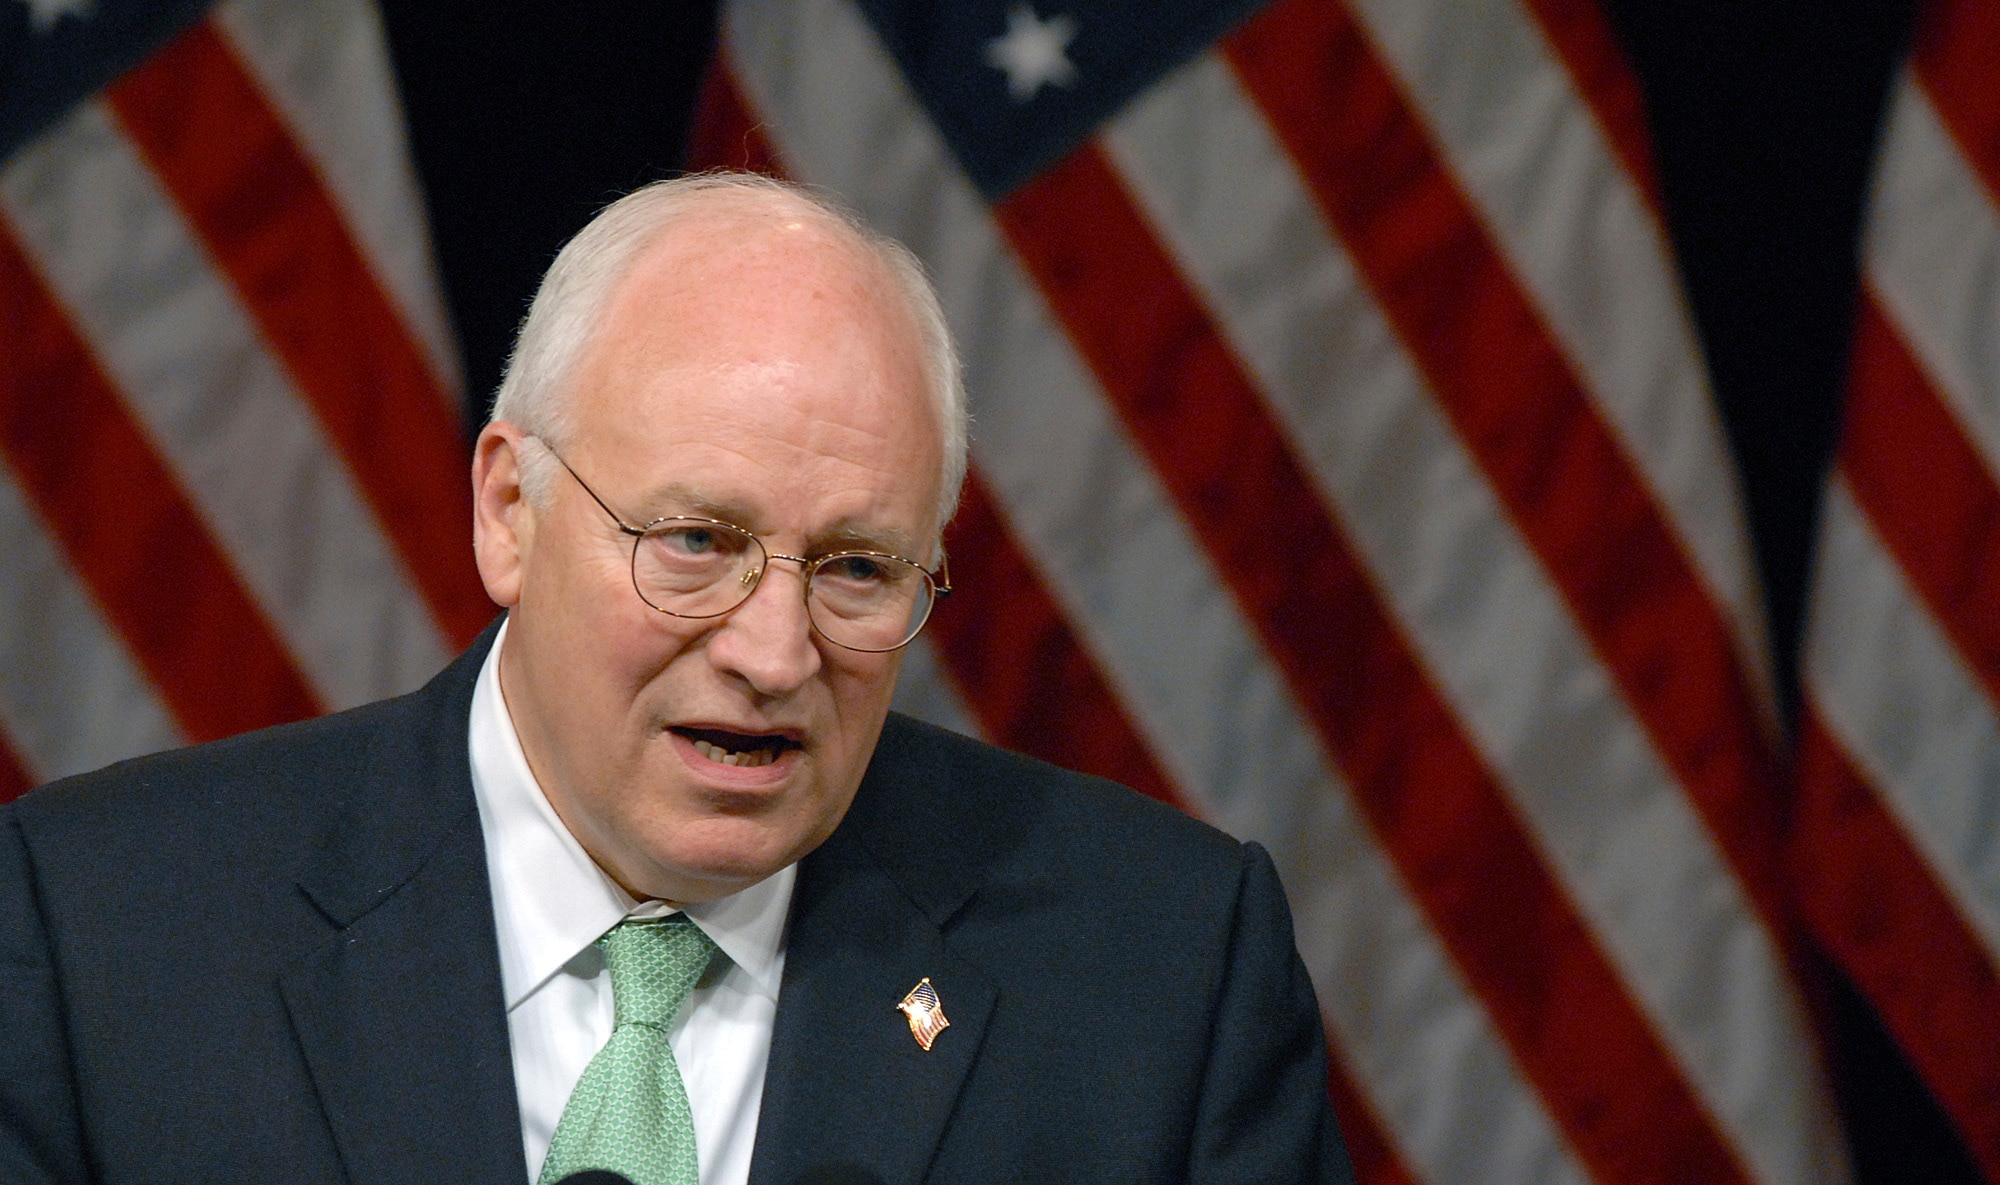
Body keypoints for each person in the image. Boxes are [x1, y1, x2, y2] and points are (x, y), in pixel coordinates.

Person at [0, 173, 1352, 1184]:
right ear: (508, 511)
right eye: (696, 542)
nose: (775, 654)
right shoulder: (103, 940)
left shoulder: (1162, 975)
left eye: (858, 568)